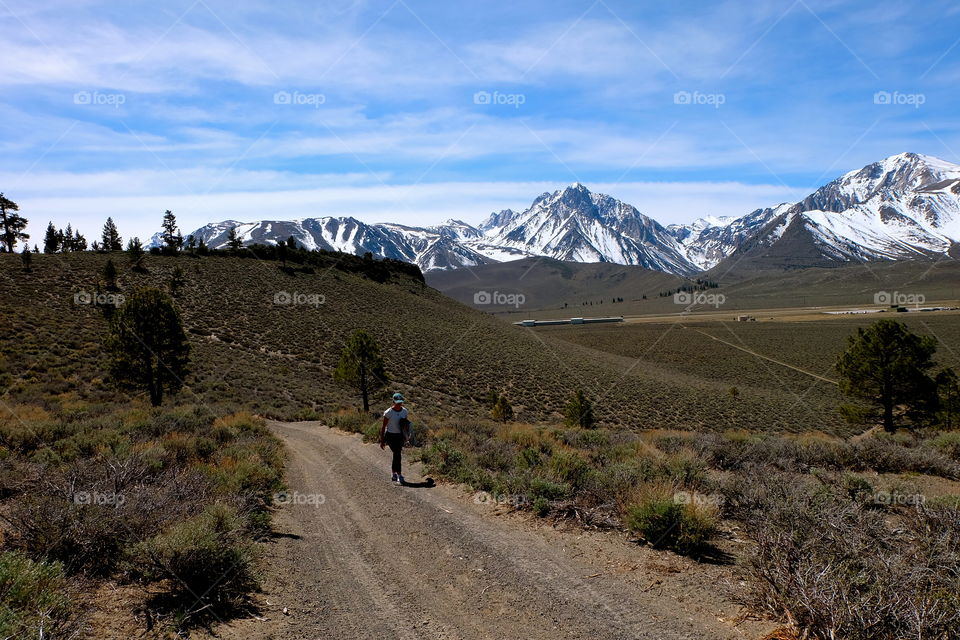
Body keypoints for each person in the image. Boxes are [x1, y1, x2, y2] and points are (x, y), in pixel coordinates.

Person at [380, 392, 411, 483]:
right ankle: (399, 475)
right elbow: (383, 427)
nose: (399, 404)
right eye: (397, 402)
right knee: (397, 454)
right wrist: (382, 441)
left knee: (397, 454)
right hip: (390, 436)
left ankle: (394, 473)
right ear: (393, 402)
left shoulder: (404, 411)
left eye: (400, 402)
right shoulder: (388, 412)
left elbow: (405, 424)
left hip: (400, 436)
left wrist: (406, 432)